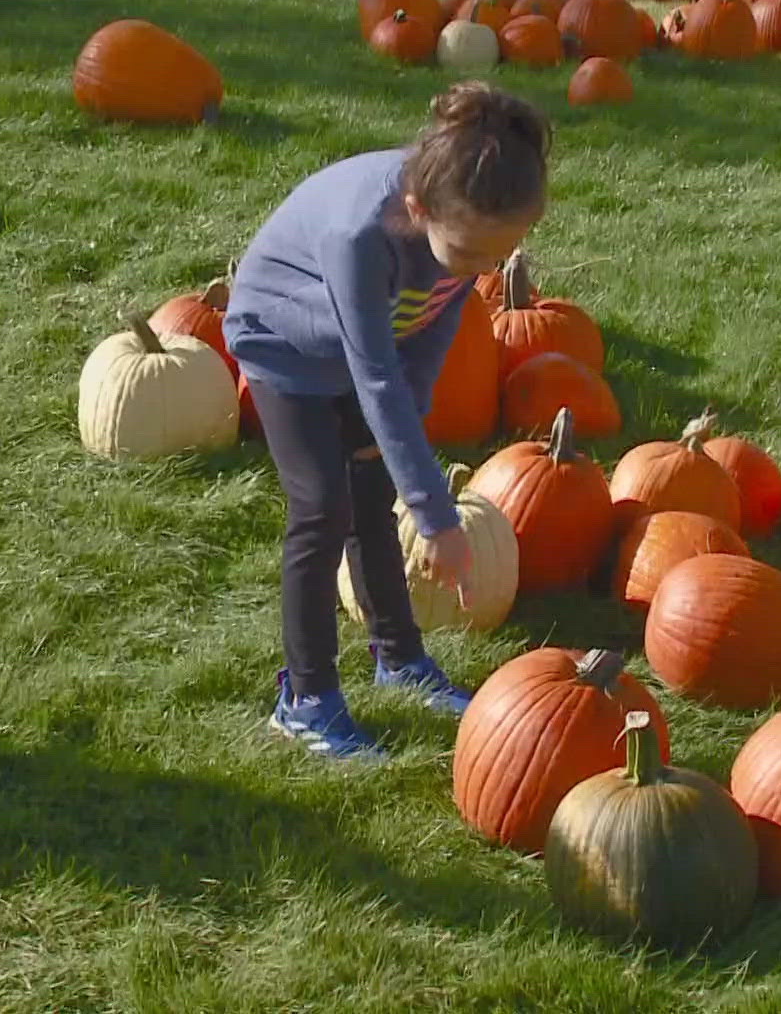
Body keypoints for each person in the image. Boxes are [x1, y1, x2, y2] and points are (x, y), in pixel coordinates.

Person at [224, 81, 552, 761]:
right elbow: (374, 375)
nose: (481, 270)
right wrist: (435, 515)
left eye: (496, 255)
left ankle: (398, 658)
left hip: (357, 350)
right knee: (323, 507)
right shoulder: (359, 236)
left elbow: (430, 331)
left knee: (372, 497)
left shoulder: (461, 231)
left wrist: (400, 441)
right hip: (285, 346)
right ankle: (305, 699)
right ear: (417, 207)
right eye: (469, 254)